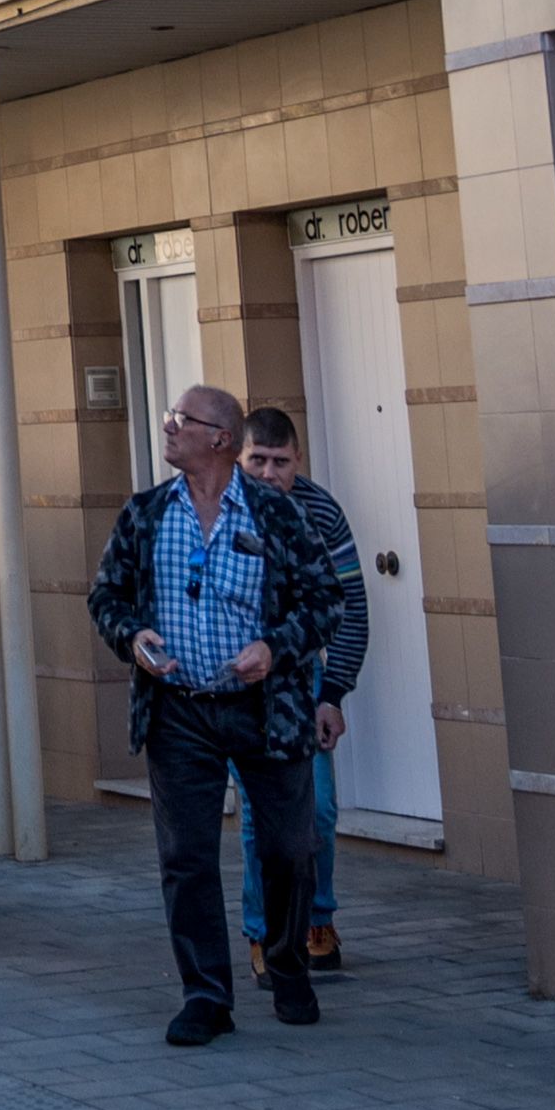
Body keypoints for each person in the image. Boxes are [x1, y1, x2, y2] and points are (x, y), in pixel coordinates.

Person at [87, 383, 347, 1047]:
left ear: (220, 439)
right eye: (169, 416)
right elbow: (107, 597)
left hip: (266, 707)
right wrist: (135, 638)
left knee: (291, 847)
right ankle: (205, 996)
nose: (168, 427)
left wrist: (276, 647)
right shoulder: (146, 514)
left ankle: (289, 968)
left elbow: (325, 601)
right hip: (180, 711)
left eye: (183, 420)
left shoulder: (275, 514)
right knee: (186, 857)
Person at [237, 404, 367, 982]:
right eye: (256, 460)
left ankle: (317, 917)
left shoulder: (321, 511)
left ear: (299, 461)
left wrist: (333, 693)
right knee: (257, 813)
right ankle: (264, 930)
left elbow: (351, 605)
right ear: (236, 458)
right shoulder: (214, 506)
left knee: (317, 804)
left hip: (300, 673)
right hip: (231, 678)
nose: (268, 473)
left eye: (280, 462)